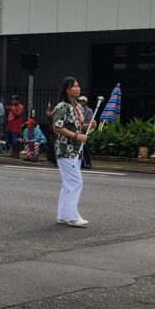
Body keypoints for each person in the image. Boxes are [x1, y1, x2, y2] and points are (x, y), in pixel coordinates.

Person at [52, 77, 91, 228]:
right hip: (65, 149)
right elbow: (57, 127)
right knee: (75, 182)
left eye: (78, 86)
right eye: (74, 86)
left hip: (75, 150)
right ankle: (73, 217)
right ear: (66, 89)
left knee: (68, 184)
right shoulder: (62, 106)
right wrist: (76, 136)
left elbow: (78, 128)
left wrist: (89, 125)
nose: (78, 88)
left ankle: (63, 215)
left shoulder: (78, 107)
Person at [5, 94, 25, 159]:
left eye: (14, 100)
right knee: (10, 141)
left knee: (16, 141)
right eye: (12, 100)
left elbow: (18, 115)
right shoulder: (13, 107)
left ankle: (17, 154)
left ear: (17, 100)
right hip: (10, 126)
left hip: (16, 127)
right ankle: (13, 153)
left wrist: (11, 109)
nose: (12, 101)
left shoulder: (20, 106)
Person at [77, 95, 94, 169]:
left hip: (85, 131)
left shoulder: (89, 111)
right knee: (78, 148)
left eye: (83, 101)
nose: (81, 102)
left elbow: (90, 122)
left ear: (85, 102)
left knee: (85, 147)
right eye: (80, 101)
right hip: (78, 131)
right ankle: (81, 163)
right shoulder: (77, 109)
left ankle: (88, 163)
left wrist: (84, 125)